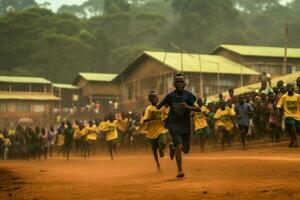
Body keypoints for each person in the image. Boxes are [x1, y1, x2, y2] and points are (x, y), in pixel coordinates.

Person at [156, 73, 200, 178]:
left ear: (185, 83)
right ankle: (180, 170)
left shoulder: (189, 96)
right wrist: (156, 104)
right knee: (179, 146)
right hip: (173, 124)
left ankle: (173, 148)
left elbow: (198, 109)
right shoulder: (170, 96)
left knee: (186, 150)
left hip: (185, 125)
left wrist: (187, 107)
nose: (179, 83)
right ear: (173, 84)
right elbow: (159, 106)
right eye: (177, 82)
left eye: (181, 81)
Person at [142, 91, 169, 171]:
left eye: (155, 97)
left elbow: (166, 116)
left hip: (161, 129)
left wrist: (167, 119)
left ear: (158, 98)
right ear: (149, 99)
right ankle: (157, 164)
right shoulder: (148, 109)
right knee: (154, 150)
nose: (154, 98)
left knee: (163, 143)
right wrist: (153, 118)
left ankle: (161, 149)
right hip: (151, 133)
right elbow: (145, 120)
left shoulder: (162, 107)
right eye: (152, 97)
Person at [276, 83, 300, 148]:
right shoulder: (284, 96)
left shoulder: (297, 96)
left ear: (294, 88)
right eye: (288, 87)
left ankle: (292, 139)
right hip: (288, 115)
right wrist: (278, 112)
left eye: (291, 87)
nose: (290, 88)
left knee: (298, 130)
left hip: (297, 115)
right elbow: (278, 105)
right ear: (286, 89)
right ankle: (295, 140)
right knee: (292, 126)